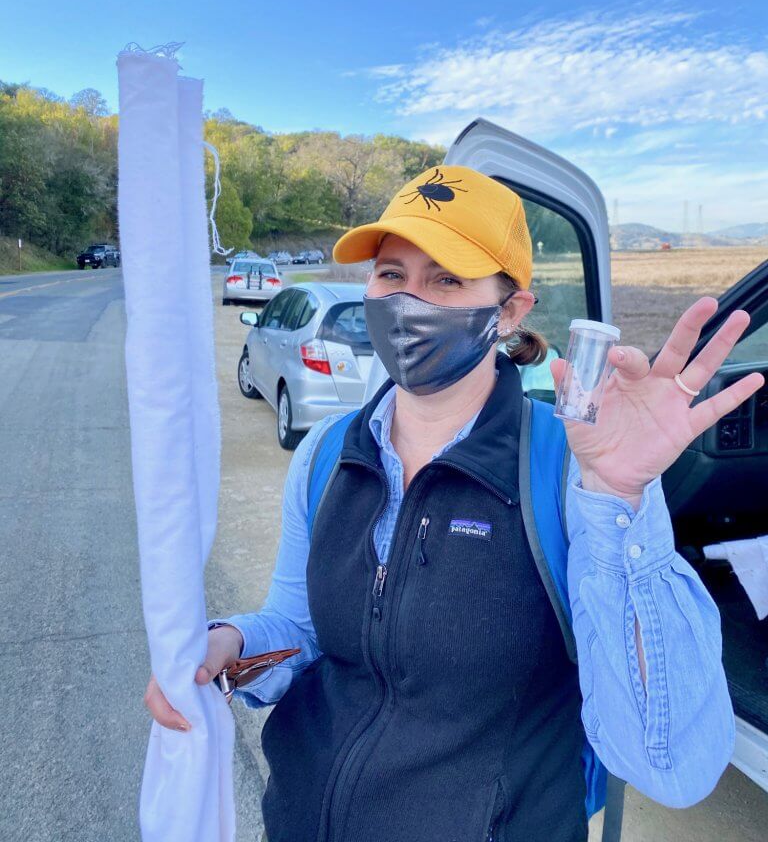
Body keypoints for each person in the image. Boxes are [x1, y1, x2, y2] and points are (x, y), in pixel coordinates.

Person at [145, 165, 761, 842]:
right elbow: (303, 625)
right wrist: (232, 644)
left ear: (509, 312)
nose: (409, 301)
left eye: (446, 279)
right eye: (391, 274)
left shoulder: (568, 472)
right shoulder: (327, 452)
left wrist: (621, 498)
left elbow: (667, 761)